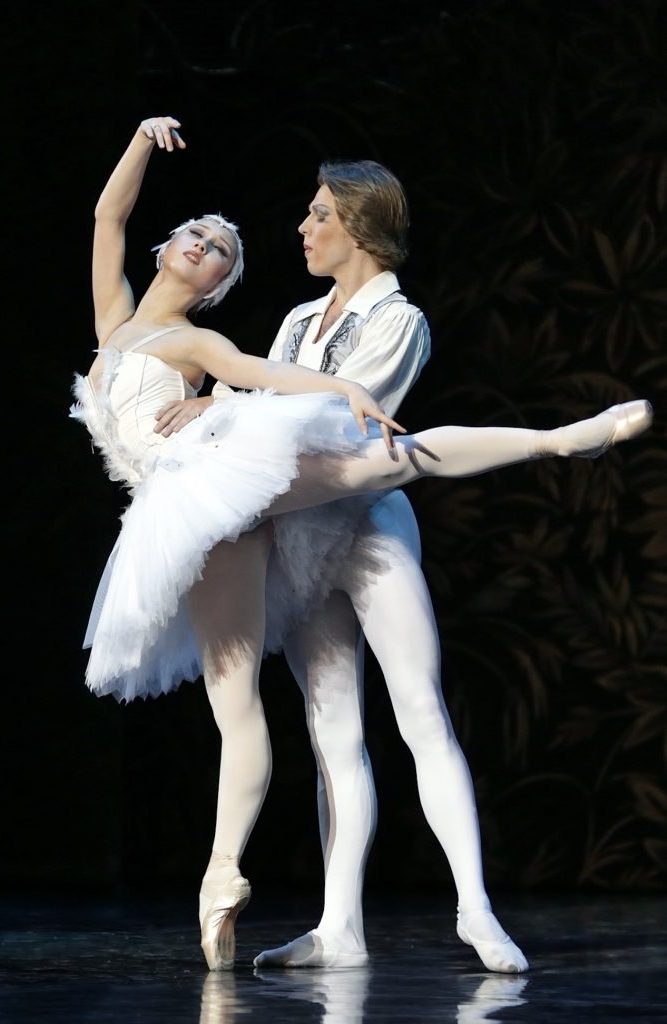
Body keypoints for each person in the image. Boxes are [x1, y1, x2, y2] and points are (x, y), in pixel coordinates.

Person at [72, 115, 652, 973]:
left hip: (355, 514)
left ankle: (475, 909)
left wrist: (234, 400)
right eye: (199, 236)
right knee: (325, 729)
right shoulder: (275, 317)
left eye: (315, 215)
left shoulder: (382, 321)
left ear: (357, 223)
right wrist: (220, 404)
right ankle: (331, 925)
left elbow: (310, 410)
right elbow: (123, 239)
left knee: (412, 662)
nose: (299, 229)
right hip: (264, 520)